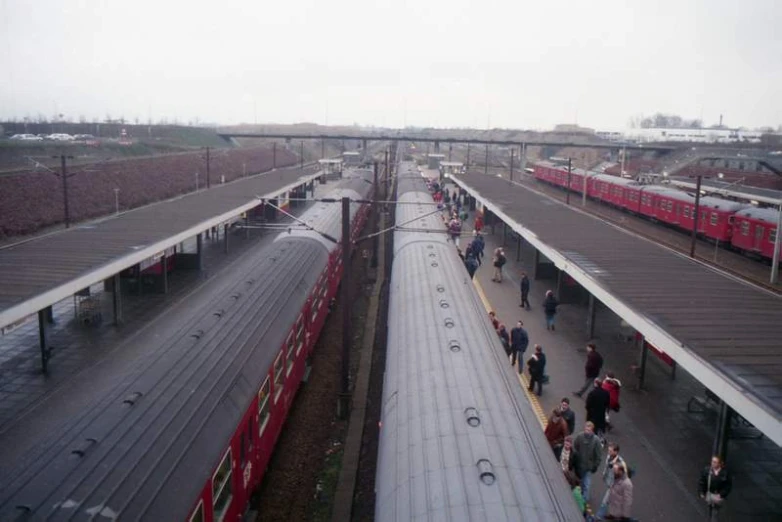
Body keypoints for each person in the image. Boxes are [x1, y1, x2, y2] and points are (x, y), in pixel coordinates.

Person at [573, 421, 603, 501]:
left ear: (592, 431)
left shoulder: (596, 441)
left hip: (588, 467)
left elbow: (599, 455)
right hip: (579, 465)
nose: (587, 432)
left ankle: (584, 500)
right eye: (586, 429)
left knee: (586, 484)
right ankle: (579, 497)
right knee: (580, 483)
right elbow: (575, 447)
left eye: (589, 430)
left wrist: (595, 466)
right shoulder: (579, 436)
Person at [596, 442, 627, 519]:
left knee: (605, 500)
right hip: (609, 481)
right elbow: (607, 466)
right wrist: (604, 474)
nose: (608, 452)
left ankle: (598, 516)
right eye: (608, 450)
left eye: (610, 451)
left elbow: (624, 476)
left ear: (616, 452)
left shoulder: (621, 463)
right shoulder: (609, 456)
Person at [698, 455, 732, 521]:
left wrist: (721, 494)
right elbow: (702, 482)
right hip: (710, 494)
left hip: (718, 496)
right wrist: (701, 492)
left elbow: (728, 486)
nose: (712, 463)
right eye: (712, 461)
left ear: (720, 464)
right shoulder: (707, 470)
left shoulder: (725, 473)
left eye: (715, 462)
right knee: (710, 508)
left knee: (716, 511)